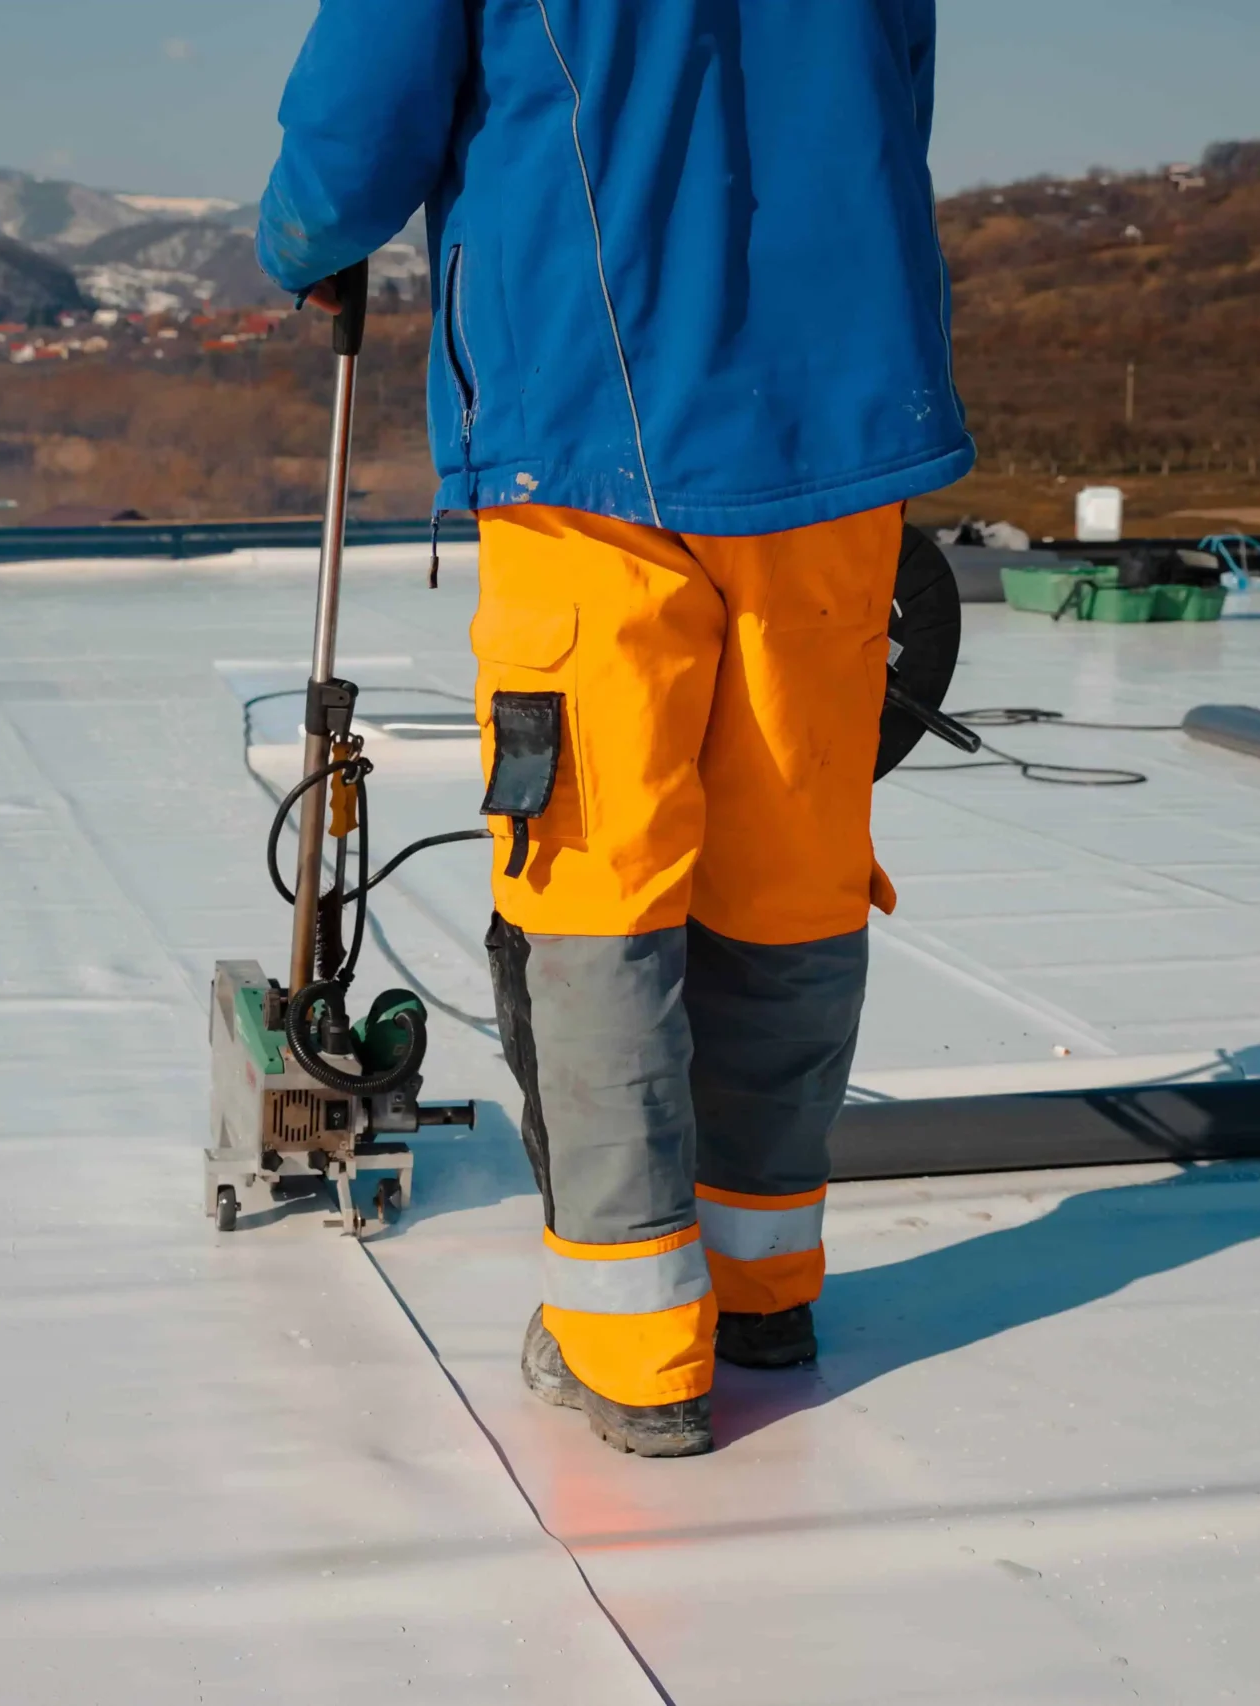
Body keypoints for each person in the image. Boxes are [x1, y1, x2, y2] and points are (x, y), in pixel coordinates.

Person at [256, 1, 973, 1458]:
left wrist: (301, 239)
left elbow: (358, 122)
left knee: (597, 878)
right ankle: (762, 1286)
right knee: (791, 867)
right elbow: (895, 96)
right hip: (840, 423)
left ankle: (633, 1346)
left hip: (593, 422)